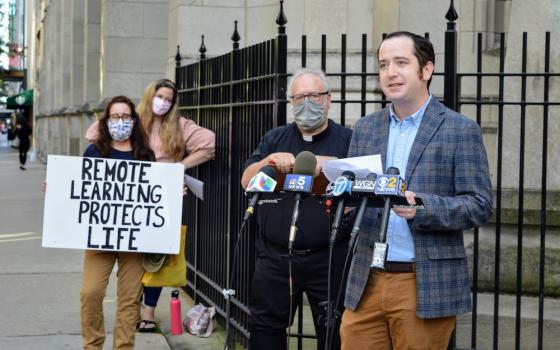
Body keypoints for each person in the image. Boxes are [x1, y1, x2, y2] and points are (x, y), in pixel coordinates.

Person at [339, 31, 493, 349]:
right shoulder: (366, 128)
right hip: (365, 280)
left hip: (422, 282)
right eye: (383, 64)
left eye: (401, 62)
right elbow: (358, 192)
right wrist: (347, 201)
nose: (390, 72)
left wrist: (421, 207)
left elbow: (479, 204)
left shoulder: (459, 130)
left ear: (426, 70)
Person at [86, 78, 215, 332]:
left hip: (161, 197)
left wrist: (179, 167)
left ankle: (148, 311)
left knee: (155, 256)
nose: (163, 103)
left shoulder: (179, 125)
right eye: (160, 96)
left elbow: (209, 143)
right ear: (149, 95)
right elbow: (93, 134)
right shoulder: (132, 119)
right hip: (127, 196)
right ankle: (131, 306)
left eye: (169, 99)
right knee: (128, 254)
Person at [241, 68, 352, 350]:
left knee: (335, 334)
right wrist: (268, 159)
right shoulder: (275, 138)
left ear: (328, 99)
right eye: (299, 97)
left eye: (314, 95)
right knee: (265, 332)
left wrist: (323, 163)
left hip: (329, 259)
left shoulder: (349, 139)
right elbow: (247, 181)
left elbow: (364, 182)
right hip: (275, 257)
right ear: (291, 102)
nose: (307, 103)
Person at [80, 95, 155, 349]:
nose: (120, 121)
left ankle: (123, 347)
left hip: (134, 239)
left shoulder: (145, 154)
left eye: (125, 117)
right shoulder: (94, 151)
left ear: (133, 120)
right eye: (115, 116)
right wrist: (57, 186)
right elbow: (78, 187)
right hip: (100, 236)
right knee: (90, 293)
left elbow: (155, 192)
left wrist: (173, 193)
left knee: (129, 299)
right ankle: (92, 345)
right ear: (107, 120)